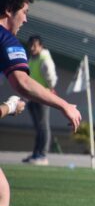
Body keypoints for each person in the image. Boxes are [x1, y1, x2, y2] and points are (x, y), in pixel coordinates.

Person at [0, 0, 81, 206]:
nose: (26, 18)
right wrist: (62, 104)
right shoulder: (7, 41)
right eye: (24, 11)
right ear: (9, 9)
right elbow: (22, 82)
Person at [22, 35, 58, 166]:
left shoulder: (44, 59)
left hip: (42, 96)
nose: (32, 48)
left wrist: (50, 89)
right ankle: (36, 153)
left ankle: (43, 154)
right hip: (32, 97)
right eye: (30, 45)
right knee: (38, 127)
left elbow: (51, 78)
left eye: (34, 46)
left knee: (43, 126)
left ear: (41, 46)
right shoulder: (32, 58)